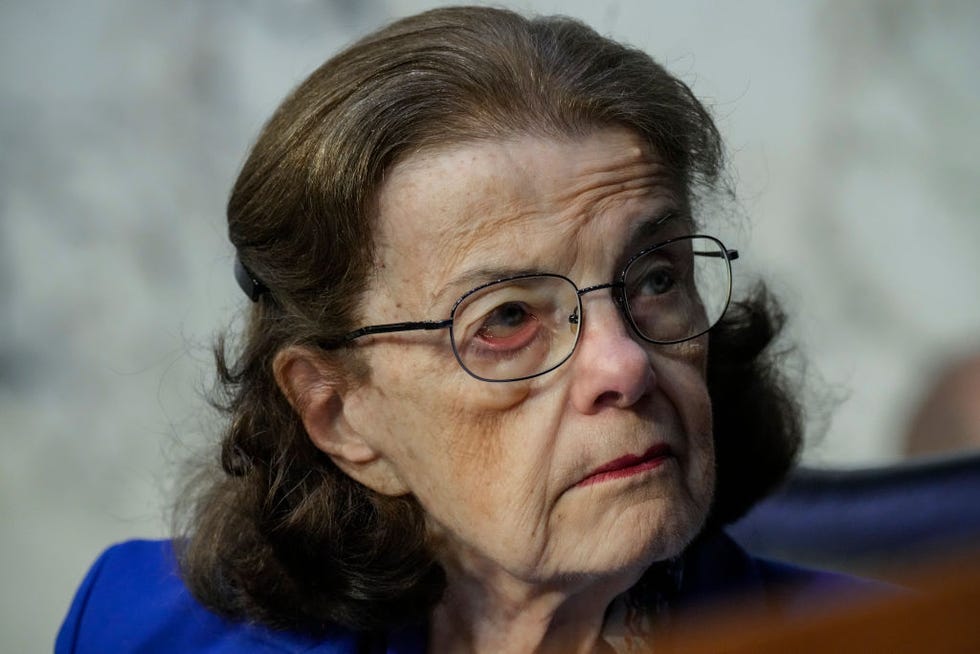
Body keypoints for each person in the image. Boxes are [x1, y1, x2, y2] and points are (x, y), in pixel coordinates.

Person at [57, 6, 869, 653]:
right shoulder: (136, 628)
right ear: (342, 415)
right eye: (507, 318)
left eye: (655, 279)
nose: (624, 364)